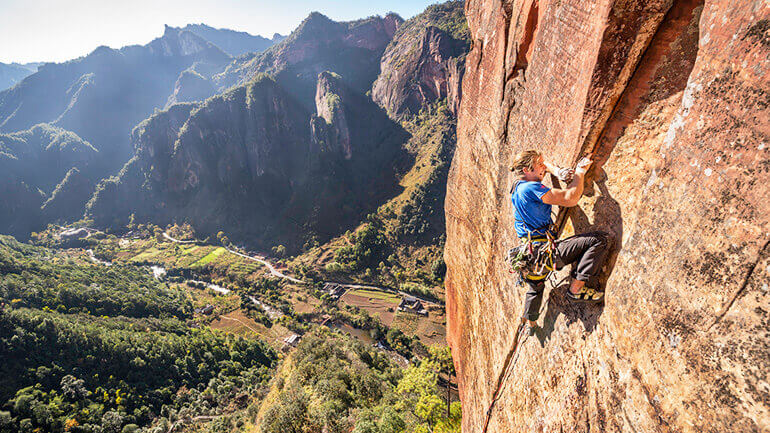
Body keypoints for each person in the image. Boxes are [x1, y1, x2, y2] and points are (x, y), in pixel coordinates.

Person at [509, 150, 609, 329]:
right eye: (539, 165)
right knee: (598, 240)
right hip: (544, 253)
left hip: (529, 254)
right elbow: (569, 199)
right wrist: (580, 172)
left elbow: (544, 166)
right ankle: (576, 289)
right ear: (526, 169)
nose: (543, 167)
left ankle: (529, 320)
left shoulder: (518, 185)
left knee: (536, 285)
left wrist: (557, 171)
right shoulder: (532, 188)